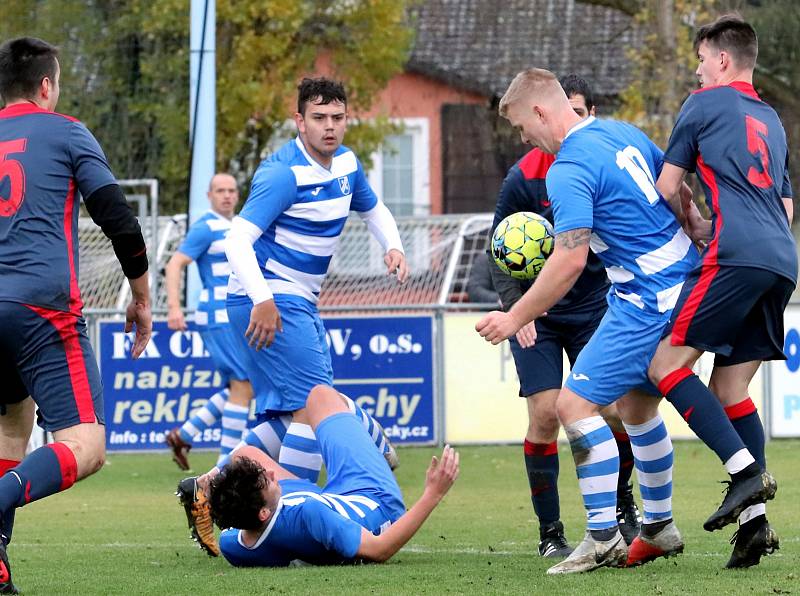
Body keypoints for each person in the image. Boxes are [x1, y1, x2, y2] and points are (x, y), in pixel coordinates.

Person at [476, 68, 772, 575]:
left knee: (574, 404)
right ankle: (658, 527)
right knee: (636, 407)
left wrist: (515, 315)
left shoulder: (565, 168)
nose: (524, 139)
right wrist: (693, 223)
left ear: (542, 112)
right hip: (683, 276)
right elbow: (672, 183)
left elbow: (568, 261)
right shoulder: (621, 132)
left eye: (523, 127)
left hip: (646, 296)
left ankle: (602, 536)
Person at [175, 77, 407, 556]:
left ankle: (212, 484)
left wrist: (394, 246)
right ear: (299, 121)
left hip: (292, 298)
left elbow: (375, 209)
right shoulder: (282, 172)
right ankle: (299, 507)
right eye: (318, 118)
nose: (329, 127)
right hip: (272, 299)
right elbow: (237, 240)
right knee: (317, 400)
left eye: (337, 118)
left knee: (291, 411)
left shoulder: (346, 164)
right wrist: (263, 299)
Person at [0, 37, 152, 592]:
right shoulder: (65, 130)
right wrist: (141, 293)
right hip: (42, 309)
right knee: (86, 446)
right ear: (46, 86)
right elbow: (117, 216)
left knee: (10, 429)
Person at [648, 15, 794, 569]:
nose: (698, 68)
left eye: (703, 59)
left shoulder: (703, 104)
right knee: (731, 387)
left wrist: (695, 222)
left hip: (736, 253)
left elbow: (666, 187)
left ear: (723, 61)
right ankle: (754, 528)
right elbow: (784, 207)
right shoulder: (772, 120)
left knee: (666, 365)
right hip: (782, 258)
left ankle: (745, 473)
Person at [488, 74, 641, 559]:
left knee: (617, 411)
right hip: (539, 315)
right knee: (545, 413)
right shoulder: (523, 176)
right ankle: (550, 532)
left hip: (595, 306)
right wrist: (519, 308)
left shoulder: (594, 158)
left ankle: (622, 506)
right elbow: (500, 249)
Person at [208, 385, 458, 567]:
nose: (271, 473)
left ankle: (203, 484)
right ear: (263, 512)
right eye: (265, 480)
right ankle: (381, 449)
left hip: (324, 501)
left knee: (243, 455)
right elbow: (381, 549)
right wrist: (432, 494)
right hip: (372, 498)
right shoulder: (309, 514)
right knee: (321, 396)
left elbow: (257, 532)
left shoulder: (233, 545)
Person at [164, 173, 255, 470]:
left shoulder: (238, 225)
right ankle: (225, 467)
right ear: (209, 195)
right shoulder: (205, 227)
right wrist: (175, 307)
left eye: (231, 190)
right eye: (220, 191)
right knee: (244, 384)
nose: (227, 195)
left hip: (235, 313)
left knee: (241, 386)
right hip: (217, 313)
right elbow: (175, 263)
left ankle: (186, 434)